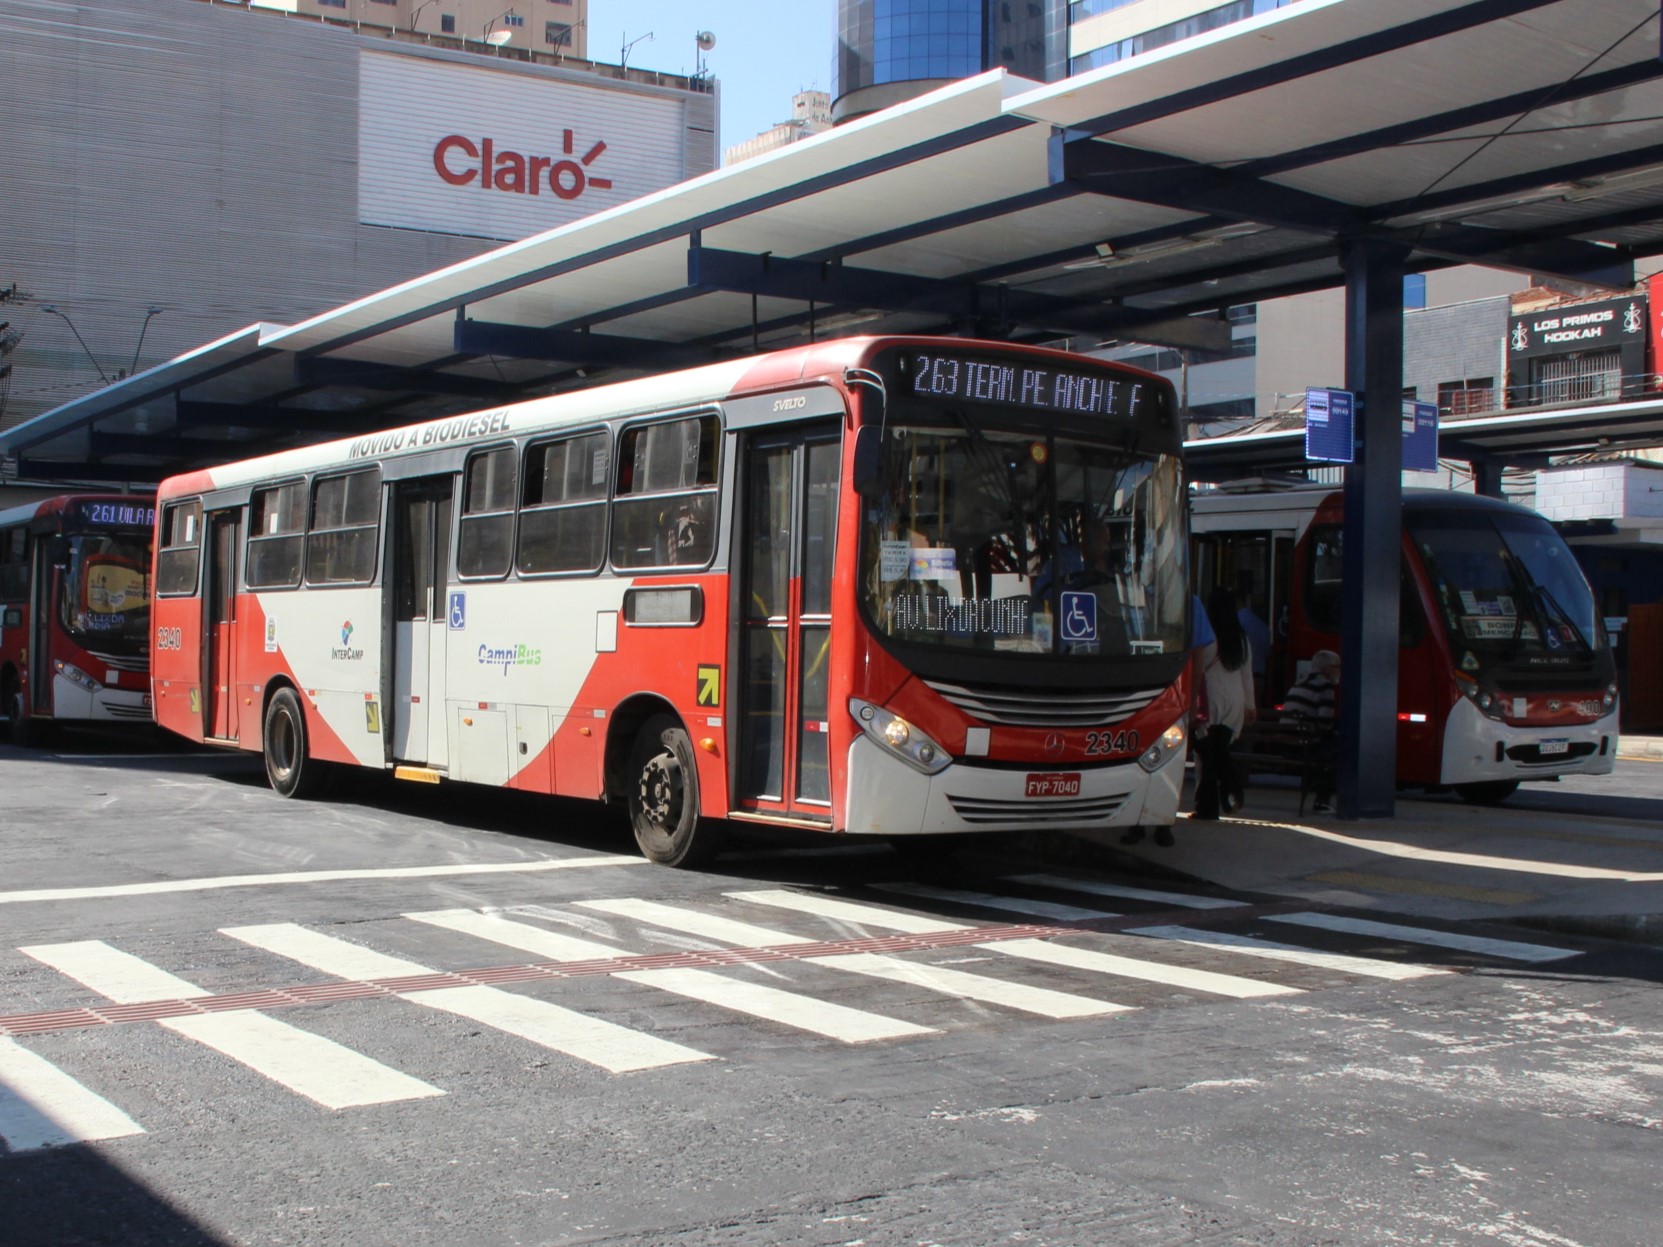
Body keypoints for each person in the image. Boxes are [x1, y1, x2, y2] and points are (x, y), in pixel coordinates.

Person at [1123, 592, 1218, 848]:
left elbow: (1197, 656)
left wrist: (1193, 700)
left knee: (1169, 762)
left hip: (1173, 697)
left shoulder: (1188, 602)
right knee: (1137, 759)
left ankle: (1162, 822)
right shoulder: (1128, 592)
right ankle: (1138, 822)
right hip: (1140, 696)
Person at [1191, 585, 1256, 821]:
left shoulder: (1207, 638)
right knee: (1218, 750)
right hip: (1234, 702)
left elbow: (1197, 669)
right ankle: (1230, 794)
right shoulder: (1242, 639)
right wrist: (1250, 705)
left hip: (1210, 699)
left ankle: (1209, 806)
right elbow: (1247, 675)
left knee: (1206, 755)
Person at [1284, 649, 1340, 813]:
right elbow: (1325, 724)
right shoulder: (1324, 686)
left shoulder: (1299, 682)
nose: (1339, 671)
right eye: (1337, 666)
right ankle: (1322, 801)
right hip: (1304, 746)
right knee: (1338, 750)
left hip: (1286, 745)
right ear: (1326, 668)